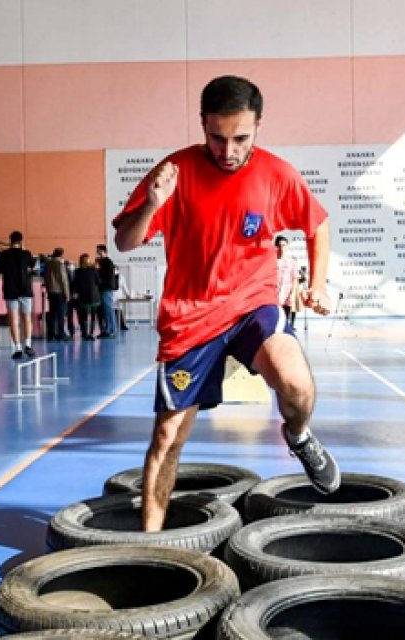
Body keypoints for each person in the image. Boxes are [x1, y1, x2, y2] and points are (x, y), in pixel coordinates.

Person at [113, 75, 339, 532]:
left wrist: (318, 284)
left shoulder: (278, 174)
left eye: (241, 138)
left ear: (258, 125)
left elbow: (317, 225)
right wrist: (152, 204)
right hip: (190, 317)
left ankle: (298, 435)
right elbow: (125, 241)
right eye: (217, 138)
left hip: (251, 306)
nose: (228, 150)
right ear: (202, 125)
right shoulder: (173, 171)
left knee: (294, 381)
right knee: (167, 437)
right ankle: (148, 545)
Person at [0, 231, 37, 358]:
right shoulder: (26, 254)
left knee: (13, 319)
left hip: (10, 289)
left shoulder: (4, 254)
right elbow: (33, 268)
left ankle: (17, 348)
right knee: (27, 318)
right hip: (25, 289)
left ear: (10, 241)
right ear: (21, 241)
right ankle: (28, 344)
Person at [73, 253, 102, 341]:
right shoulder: (94, 270)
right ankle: (91, 333)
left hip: (83, 296)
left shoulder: (77, 271)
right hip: (94, 297)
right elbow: (99, 282)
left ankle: (84, 333)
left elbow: (75, 284)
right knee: (93, 315)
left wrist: (75, 293)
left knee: (83, 316)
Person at [43, 248, 70, 341]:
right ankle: (61, 333)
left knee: (52, 314)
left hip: (51, 292)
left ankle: (50, 334)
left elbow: (45, 278)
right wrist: (67, 294)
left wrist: (47, 289)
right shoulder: (60, 264)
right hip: (59, 292)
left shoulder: (48, 264)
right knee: (61, 314)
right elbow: (63, 280)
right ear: (61, 255)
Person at [275, 236, 300, 329]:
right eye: (279, 245)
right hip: (274, 294)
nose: (282, 248)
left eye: (284, 245)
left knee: (285, 319)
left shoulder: (291, 262)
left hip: (287, 294)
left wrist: (293, 294)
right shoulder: (272, 261)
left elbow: (295, 278)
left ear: (287, 246)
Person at [95, 244, 119, 338]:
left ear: (103, 251)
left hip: (106, 288)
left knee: (109, 310)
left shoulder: (107, 262)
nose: (97, 252)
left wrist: (98, 270)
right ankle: (107, 330)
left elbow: (107, 275)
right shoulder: (101, 262)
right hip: (102, 288)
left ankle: (112, 330)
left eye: (99, 251)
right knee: (104, 311)